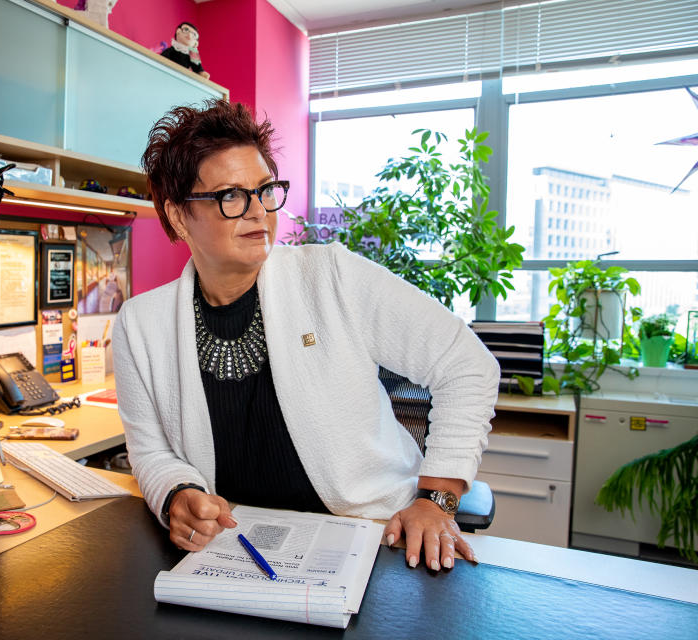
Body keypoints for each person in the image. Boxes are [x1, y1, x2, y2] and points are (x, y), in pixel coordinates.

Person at [113, 99, 500, 572]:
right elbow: (151, 451)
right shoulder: (139, 324)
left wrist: (437, 499)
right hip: (238, 553)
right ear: (177, 217)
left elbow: (466, 364)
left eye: (264, 190)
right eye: (231, 196)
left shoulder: (331, 276)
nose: (258, 211)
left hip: (375, 537)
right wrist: (177, 493)